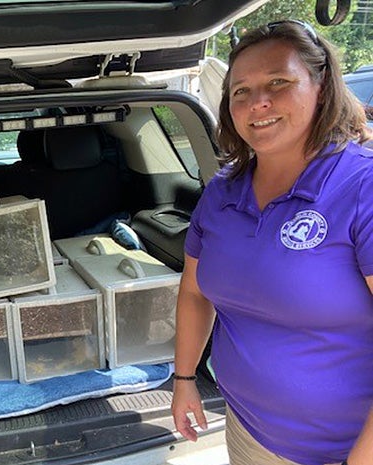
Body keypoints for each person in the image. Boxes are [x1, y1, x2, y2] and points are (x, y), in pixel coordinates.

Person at [171, 20, 373, 465]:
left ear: (321, 86)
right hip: (248, 432)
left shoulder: (362, 187)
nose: (257, 102)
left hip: (345, 451)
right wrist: (184, 378)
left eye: (278, 82)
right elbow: (194, 291)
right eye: (240, 90)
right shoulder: (223, 191)